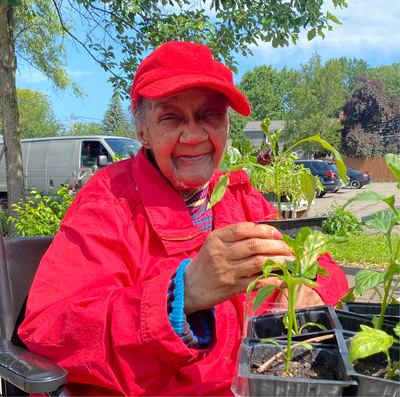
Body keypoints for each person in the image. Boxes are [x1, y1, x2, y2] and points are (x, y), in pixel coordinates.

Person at [18, 41, 348, 396]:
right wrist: (183, 293)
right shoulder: (109, 202)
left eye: (210, 115)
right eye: (170, 118)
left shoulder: (241, 197)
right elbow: (49, 334)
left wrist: (310, 292)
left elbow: (326, 268)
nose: (193, 136)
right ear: (142, 132)